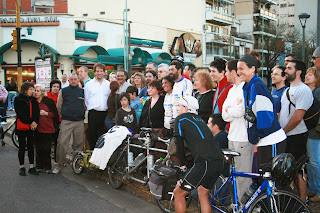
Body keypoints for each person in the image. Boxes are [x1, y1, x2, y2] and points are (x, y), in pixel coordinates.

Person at [173, 96, 224, 213]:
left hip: (205, 162)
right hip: (218, 160)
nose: (177, 109)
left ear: (186, 107)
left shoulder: (181, 119)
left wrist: (182, 165)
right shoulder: (199, 119)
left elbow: (179, 143)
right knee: (202, 192)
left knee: (179, 193)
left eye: (179, 106)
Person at [238, 55, 286, 167]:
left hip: (271, 139)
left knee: (274, 181)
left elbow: (266, 118)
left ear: (252, 69)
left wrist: (256, 135)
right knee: (263, 179)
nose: (238, 72)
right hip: (264, 140)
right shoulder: (248, 87)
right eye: (237, 69)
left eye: (241, 68)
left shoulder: (257, 86)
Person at [279, 60, 313, 201]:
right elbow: (282, 112)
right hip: (286, 135)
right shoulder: (287, 90)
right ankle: (291, 199)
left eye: (289, 68)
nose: (286, 70)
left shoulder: (303, 90)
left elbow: (298, 116)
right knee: (289, 168)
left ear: (298, 71)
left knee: (299, 169)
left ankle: (302, 200)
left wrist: (284, 131)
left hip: (297, 135)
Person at [222, 59, 254, 199]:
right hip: (232, 136)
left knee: (243, 175)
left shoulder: (244, 88)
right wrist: (230, 109)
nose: (225, 74)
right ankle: (237, 203)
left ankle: (245, 206)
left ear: (233, 72)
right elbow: (225, 115)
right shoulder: (231, 90)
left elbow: (241, 111)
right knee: (233, 173)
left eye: (227, 70)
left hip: (243, 138)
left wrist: (230, 109)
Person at [53, 73, 85, 174]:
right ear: (69, 80)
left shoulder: (83, 92)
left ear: (78, 80)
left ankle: (75, 164)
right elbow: (59, 106)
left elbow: (85, 106)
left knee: (78, 144)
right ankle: (60, 165)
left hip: (79, 122)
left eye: (75, 79)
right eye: (71, 79)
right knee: (62, 143)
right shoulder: (64, 91)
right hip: (66, 121)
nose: (73, 81)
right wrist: (65, 114)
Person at [14, 82, 40, 176]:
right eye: (30, 89)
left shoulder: (33, 100)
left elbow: (36, 112)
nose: (32, 91)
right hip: (22, 126)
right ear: (25, 90)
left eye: (32, 89)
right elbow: (20, 114)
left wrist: (35, 122)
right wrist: (31, 122)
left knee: (30, 147)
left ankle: (32, 166)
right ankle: (22, 167)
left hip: (32, 127)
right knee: (22, 146)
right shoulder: (18, 99)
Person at [85, 63, 111, 150]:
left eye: (101, 71)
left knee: (104, 136)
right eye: (97, 71)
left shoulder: (108, 84)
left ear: (104, 72)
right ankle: (92, 155)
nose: (99, 73)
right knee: (92, 135)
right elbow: (86, 99)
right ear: (94, 72)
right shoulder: (89, 84)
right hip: (93, 113)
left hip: (105, 113)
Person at [34, 85, 59, 174]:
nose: (36, 92)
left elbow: (55, 114)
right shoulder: (33, 102)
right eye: (35, 90)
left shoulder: (49, 101)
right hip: (37, 128)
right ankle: (39, 166)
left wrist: (46, 114)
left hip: (48, 128)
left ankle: (47, 166)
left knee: (47, 148)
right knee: (38, 148)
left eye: (38, 91)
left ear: (42, 92)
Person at [304, 67, 320, 202]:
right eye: (306, 74)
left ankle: (318, 191)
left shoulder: (318, 92)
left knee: (315, 161)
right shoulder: (308, 92)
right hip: (308, 131)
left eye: (310, 75)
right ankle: (313, 188)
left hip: (315, 131)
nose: (307, 76)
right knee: (309, 161)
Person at [46, 79, 61, 163]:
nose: (56, 88)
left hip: (58, 121)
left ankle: (56, 159)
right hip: (48, 121)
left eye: (57, 87)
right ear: (51, 87)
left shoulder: (60, 96)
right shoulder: (46, 96)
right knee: (47, 141)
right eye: (54, 86)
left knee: (57, 141)